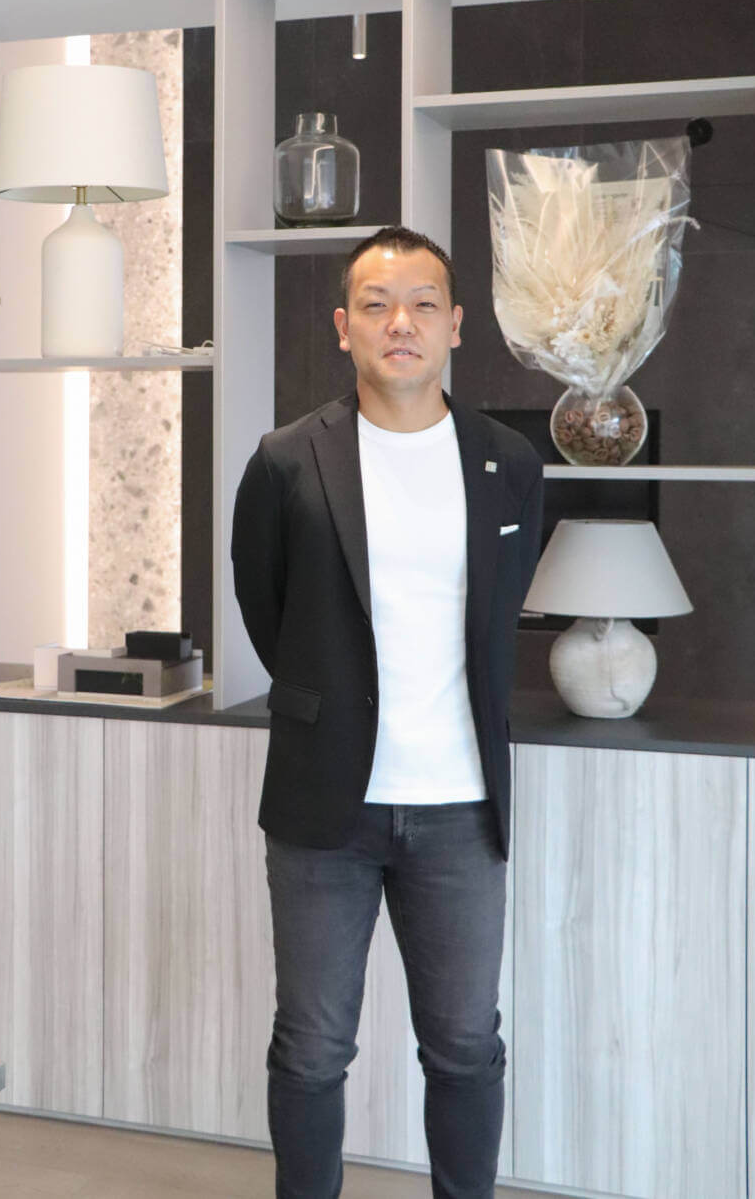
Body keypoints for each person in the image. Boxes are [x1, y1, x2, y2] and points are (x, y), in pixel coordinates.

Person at [231, 225, 544, 1199]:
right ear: (343, 327)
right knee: (311, 1045)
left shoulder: (507, 462)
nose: (398, 322)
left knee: (464, 1044)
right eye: (375, 304)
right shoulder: (287, 460)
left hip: (460, 809)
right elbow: (265, 608)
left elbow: (502, 610)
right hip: (325, 808)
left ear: (455, 325)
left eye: (421, 304)